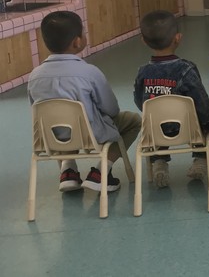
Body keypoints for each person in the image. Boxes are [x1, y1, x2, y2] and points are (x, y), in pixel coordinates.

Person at [28, 11, 141, 193]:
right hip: (90, 136)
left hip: (52, 137)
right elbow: (111, 109)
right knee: (133, 121)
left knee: (59, 123)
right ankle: (101, 171)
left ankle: (68, 171)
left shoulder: (34, 76)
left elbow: (36, 110)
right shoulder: (89, 72)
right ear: (77, 41)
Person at [133, 10, 209, 187]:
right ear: (178, 38)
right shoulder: (186, 69)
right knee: (201, 122)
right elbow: (200, 100)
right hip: (188, 128)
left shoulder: (143, 72)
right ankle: (200, 159)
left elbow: (139, 101)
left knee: (153, 125)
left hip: (157, 128)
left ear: (143, 41)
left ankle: (159, 163)